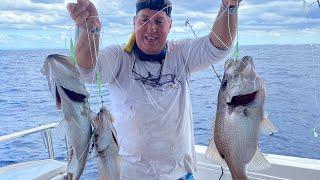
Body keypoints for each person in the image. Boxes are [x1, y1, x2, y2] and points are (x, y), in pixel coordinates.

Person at [67, 0, 240, 179]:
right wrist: (91, 30)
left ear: (170, 25)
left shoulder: (180, 53)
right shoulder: (119, 57)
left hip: (179, 174)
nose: (151, 28)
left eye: (159, 21)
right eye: (144, 20)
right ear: (134, 22)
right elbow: (88, 70)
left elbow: (219, 46)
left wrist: (229, 6)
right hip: (131, 175)